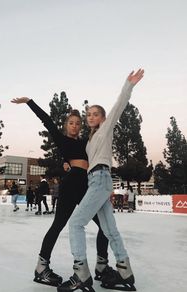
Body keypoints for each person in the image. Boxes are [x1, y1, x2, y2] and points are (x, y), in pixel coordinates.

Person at [11, 97, 114, 287]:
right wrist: (30, 102)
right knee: (58, 225)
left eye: (77, 124)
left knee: (105, 226)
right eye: (71, 123)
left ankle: (101, 266)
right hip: (71, 184)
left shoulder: (88, 142)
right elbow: (46, 120)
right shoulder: (62, 139)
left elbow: (101, 143)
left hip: (88, 185)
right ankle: (41, 267)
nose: (74, 126)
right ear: (67, 125)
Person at [58, 69, 144, 292]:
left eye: (95, 114)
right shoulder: (91, 140)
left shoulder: (105, 129)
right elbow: (85, 158)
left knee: (76, 223)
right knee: (109, 230)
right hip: (97, 180)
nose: (91, 117)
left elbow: (119, 106)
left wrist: (128, 85)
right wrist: (68, 163)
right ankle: (125, 272)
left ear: (103, 118)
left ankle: (81, 274)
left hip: (100, 179)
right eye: (89, 114)